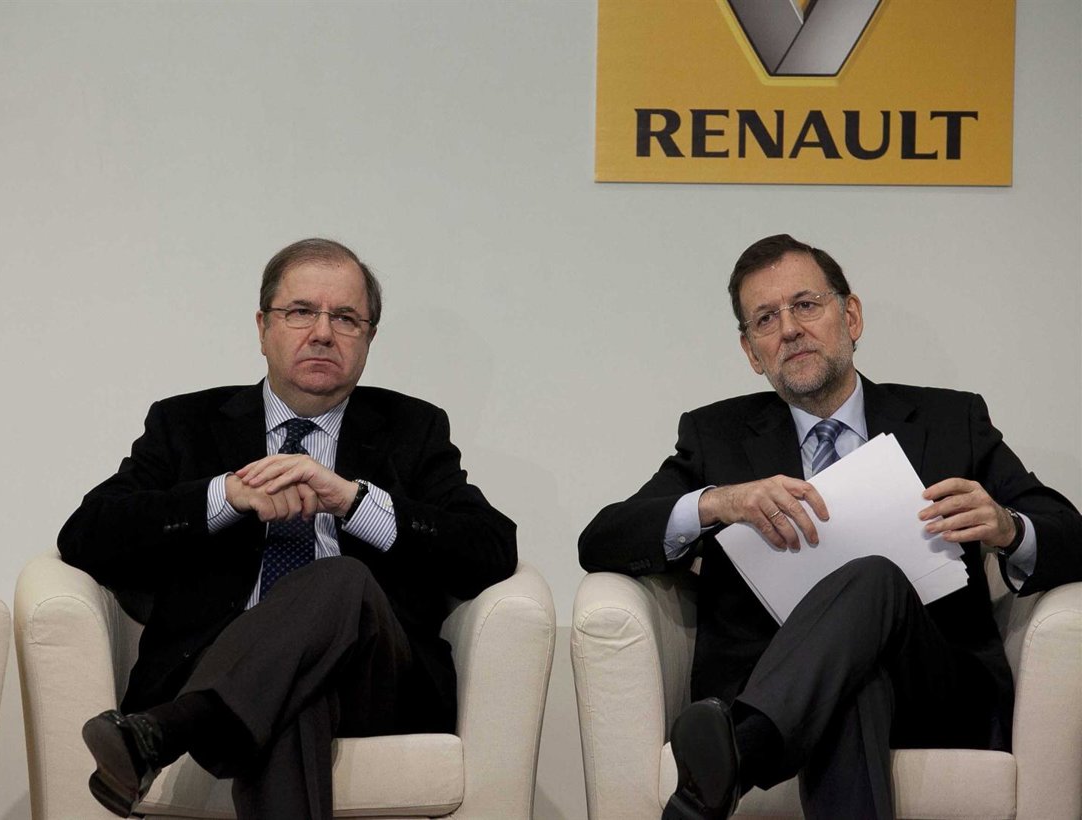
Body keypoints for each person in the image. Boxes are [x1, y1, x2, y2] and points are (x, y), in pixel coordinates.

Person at [578, 234, 1082, 820]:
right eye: (766, 319)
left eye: (805, 305)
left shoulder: (951, 420)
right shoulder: (715, 437)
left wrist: (1007, 526)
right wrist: (719, 502)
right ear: (751, 351)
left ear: (851, 316)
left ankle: (740, 749)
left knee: (874, 576)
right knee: (851, 685)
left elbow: (1071, 535)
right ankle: (744, 748)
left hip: (935, 686)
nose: (789, 329)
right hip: (784, 687)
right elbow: (602, 540)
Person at [59, 238, 517, 819]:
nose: (323, 333)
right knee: (294, 694)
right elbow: (87, 535)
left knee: (343, 578)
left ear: (369, 338)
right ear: (263, 327)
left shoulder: (412, 429)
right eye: (301, 311)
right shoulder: (186, 424)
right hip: (215, 665)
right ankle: (207, 709)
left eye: (346, 318)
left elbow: (491, 548)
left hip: (376, 679)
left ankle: (170, 728)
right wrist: (225, 495)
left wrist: (353, 502)